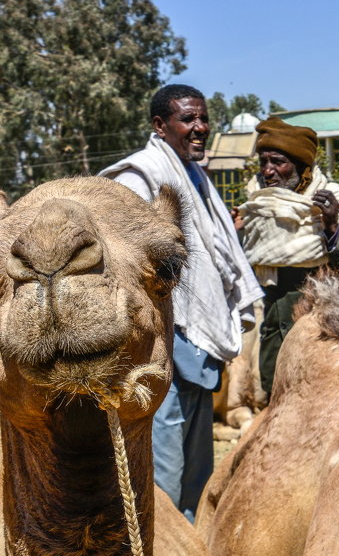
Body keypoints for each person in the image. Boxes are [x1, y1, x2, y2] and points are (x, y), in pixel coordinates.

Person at [100, 84, 262, 521]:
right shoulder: (140, 177)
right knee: (164, 463)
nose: (200, 127)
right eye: (188, 119)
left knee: (198, 464)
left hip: (194, 340)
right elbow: (123, 264)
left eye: (203, 118)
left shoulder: (195, 175)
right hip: (156, 343)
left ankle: (192, 547)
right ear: (159, 125)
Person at [233, 117, 339, 394]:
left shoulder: (334, 202)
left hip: (321, 328)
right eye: (263, 161)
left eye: (278, 162)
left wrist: (332, 225)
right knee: (276, 397)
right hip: (276, 328)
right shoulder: (258, 204)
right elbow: (250, 262)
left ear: (302, 167)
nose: (268, 171)